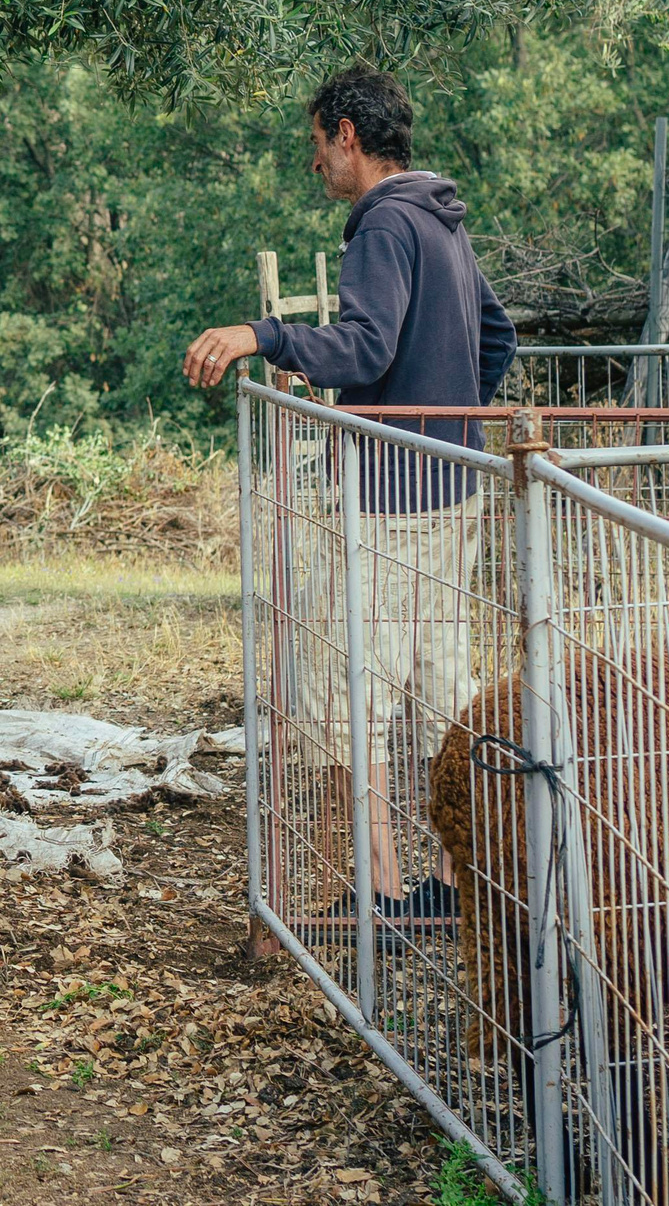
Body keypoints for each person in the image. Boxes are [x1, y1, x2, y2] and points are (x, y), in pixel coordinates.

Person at [184, 69, 516, 918]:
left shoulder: (382, 226)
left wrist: (262, 334)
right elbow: (497, 333)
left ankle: (380, 893)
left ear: (346, 135)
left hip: (393, 500)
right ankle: (454, 880)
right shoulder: (443, 221)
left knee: (351, 690)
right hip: (455, 486)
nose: (317, 166)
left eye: (317, 147)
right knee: (442, 687)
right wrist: (451, 423)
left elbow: (364, 347)